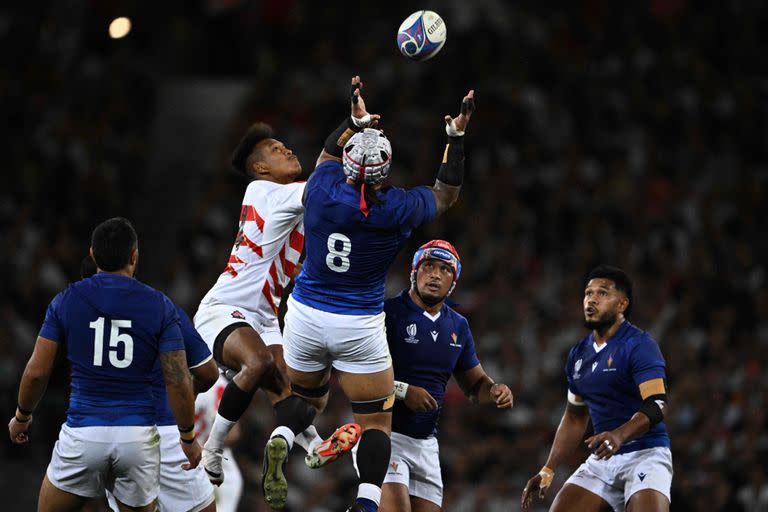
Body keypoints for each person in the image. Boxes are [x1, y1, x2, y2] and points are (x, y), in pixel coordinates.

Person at [275, 85, 476, 512]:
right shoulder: (398, 208)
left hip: (307, 313)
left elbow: (327, 156)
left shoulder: (321, 188)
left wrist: (354, 123)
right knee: (375, 425)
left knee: (309, 400)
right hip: (359, 323)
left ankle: (282, 438)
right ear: (385, 172)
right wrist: (455, 139)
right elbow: (446, 194)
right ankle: (367, 502)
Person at [193, 78, 372, 503]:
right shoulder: (266, 191)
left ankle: (312, 446)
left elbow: (325, 176)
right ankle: (212, 452)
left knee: (289, 391)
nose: (288, 151)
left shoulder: (291, 196)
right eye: (277, 150)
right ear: (260, 168)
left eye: (286, 146)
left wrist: (353, 125)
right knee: (256, 364)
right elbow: (326, 182)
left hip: (264, 315)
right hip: (224, 308)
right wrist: (363, 152)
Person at [7, 217, 201, 512]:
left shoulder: (66, 299)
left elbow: (37, 372)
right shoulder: (160, 305)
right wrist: (187, 437)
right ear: (134, 256)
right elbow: (178, 379)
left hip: (84, 432)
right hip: (138, 439)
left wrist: (22, 416)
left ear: (93, 254)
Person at [375, 240, 513, 512]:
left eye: (445, 269)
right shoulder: (386, 313)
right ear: (414, 272)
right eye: (428, 266)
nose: (435, 274)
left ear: (454, 281)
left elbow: (475, 385)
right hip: (383, 434)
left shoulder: (458, 326)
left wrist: (495, 390)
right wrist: (404, 391)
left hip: (426, 445)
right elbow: (355, 375)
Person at [521, 265, 673, 512]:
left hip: (646, 453)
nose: (591, 299)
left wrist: (619, 435)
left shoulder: (639, 345)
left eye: (602, 293)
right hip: (602, 461)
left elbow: (658, 404)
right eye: (588, 293)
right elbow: (574, 416)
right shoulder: (579, 354)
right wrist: (548, 469)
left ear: (622, 304)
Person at [77, 255, 220, 512]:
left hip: (104, 435)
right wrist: (188, 399)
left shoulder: (75, 317)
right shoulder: (160, 307)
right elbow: (208, 372)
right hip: (161, 432)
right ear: (130, 264)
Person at [195, 372, 244, 512]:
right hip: (212, 470)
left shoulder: (217, 383)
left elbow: (234, 434)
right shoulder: (216, 380)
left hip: (213, 471)